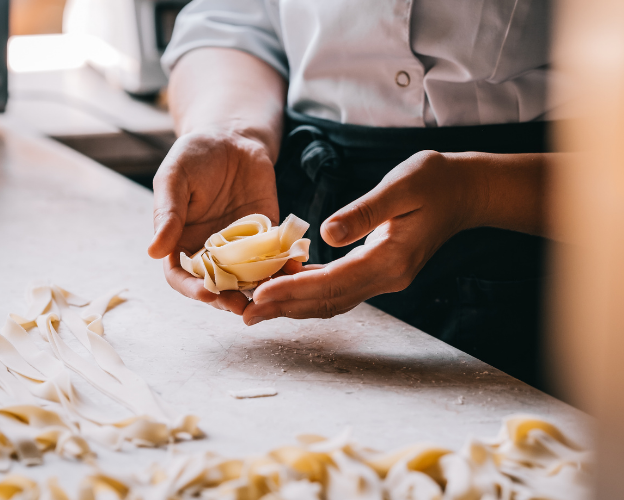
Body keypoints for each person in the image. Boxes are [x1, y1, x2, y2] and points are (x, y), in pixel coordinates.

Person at [148, 0, 565, 388]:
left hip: (542, 228)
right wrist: (231, 129)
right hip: (298, 184)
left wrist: (482, 191)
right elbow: (232, 17)